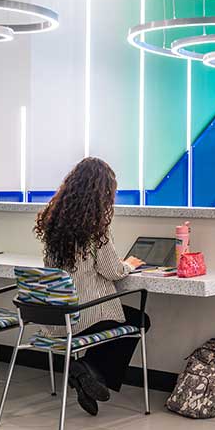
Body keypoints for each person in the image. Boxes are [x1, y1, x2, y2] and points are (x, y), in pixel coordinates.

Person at [34, 157, 149, 416]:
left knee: (121, 321)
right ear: (102, 193)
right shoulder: (95, 230)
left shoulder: (53, 227)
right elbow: (113, 271)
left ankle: (87, 376)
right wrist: (129, 264)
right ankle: (89, 369)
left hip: (57, 316)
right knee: (141, 320)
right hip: (86, 314)